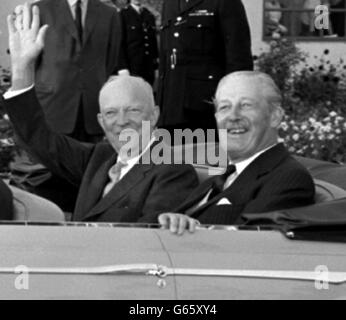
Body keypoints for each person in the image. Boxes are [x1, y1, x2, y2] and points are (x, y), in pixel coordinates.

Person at [2, 4, 198, 223]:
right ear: (101, 122)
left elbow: (149, 239)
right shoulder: (98, 159)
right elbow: (39, 139)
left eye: (132, 110)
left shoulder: (173, 170)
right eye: (111, 113)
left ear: (154, 116)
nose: (121, 122)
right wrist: (22, 68)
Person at [159, 71, 316, 235]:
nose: (233, 116)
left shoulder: (289, 178)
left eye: (246, 105)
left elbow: (247, 244)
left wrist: (193, 228)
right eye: (225, 107)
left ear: (275, 117)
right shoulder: (218, 180)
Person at [157, 0, 254, 137]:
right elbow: (166, 57)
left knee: (206, 156)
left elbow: (239, 59)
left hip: (205, 109)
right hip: (171, 107)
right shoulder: (170, 3)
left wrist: (233, 105)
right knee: (172, 157)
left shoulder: (225, 3)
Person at [33, 0, 125, 143]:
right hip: (52, 107)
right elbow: (30, 61)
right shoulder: (39, 10)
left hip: (92, 108)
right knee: (53, 164)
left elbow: (111, 58)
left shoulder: (109, 14)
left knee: (92, 163)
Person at [120, 0, 159, 86]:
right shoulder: (123, 15)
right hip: (132, 67)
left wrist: (156, 66)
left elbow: (153, 42)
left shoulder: (149, 15)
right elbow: (120, 43)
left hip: (148, 67)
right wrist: (123, 67)